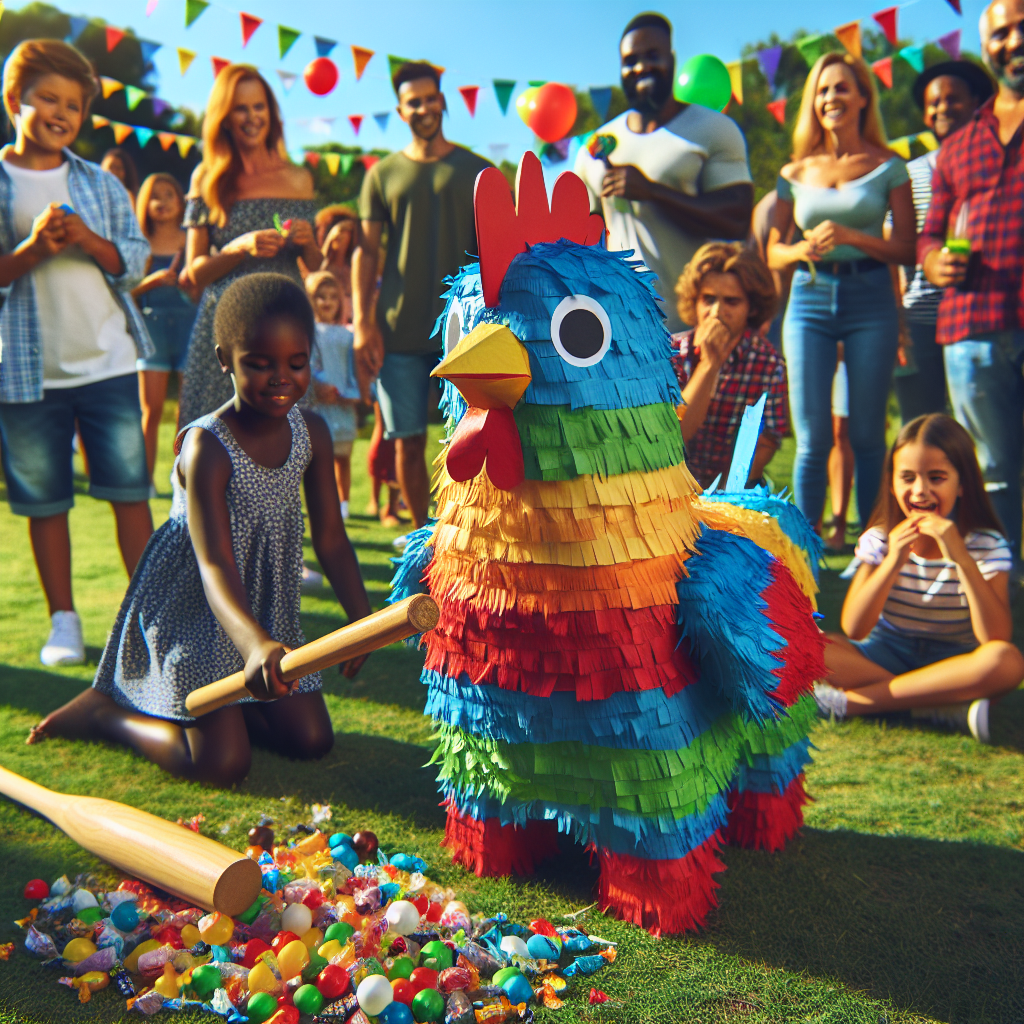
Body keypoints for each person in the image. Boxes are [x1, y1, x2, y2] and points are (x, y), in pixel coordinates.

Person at [28, 274, 373, 785]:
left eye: (296, 363)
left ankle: (229, 711)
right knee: (221, 763)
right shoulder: (207, 446)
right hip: (193, 606)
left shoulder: (312, 433)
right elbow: (214, 565)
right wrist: (255, 644)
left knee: (311, 741)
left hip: (260, 607)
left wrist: (360, 621)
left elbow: (331, 539)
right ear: (224, 360)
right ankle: (110, 714)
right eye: (259, 363)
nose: (281, 377)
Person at [0, 39, 154, 667]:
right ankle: (64, 619)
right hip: (26, 375)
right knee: (46, 501)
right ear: (15, 100)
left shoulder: (98, 182)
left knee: (128, 493)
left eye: (73, 104)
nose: (61, 113)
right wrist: (36, 247)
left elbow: (133, 261)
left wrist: (87, 237)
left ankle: (150, 613)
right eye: (47, 99)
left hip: (108, 363)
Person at [768, 51, 917, 535]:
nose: (832, 97)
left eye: (841, 88)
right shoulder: (793, 173)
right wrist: (799, 249)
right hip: (809, 301)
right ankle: (803, 552)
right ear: (813, 103)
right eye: (823, 90)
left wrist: (853, 236)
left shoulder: (890, 166)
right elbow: (772, 252)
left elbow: (906, 247)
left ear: (862, 97)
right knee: (811, 439)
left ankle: (872, 544)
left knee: (868, 434)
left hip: (871, 298)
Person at [814, 415, 1023, 742]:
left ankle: (853, 703)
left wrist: (960, 558)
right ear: (892, 482)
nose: (920, 491)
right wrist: (894, 560)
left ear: (963, 483)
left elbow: (994, 636)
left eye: (937, 478)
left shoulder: (986, 545)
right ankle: (933, 702)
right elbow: (855, 628)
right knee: (806, 644)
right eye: (907, 478)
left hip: (955, 660)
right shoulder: (880, 540)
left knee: (1006, 660)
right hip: (884, 652)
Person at [352, 61, 492, 529]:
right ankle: (422, 538)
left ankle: (470, 536)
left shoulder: (479, 170)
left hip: (469, 331)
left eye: (431, 98)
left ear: (443, 101)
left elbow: (502, 251)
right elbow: (367, 253)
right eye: (414, 102)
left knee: (471, 438)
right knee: (406, 441)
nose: (425, 107)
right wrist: (364, 325)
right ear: (400, 109)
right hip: (398, 334)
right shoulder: (382, 175)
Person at [919, 0, 1024, 579]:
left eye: (1021, 27)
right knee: (995, 470)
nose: (1014, 40)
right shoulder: (959, 145)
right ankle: (1004, 588)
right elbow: (930, 233)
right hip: (971, 327)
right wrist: (933, 262)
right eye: (1001, 33)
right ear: (987, 49)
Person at [574, 12, 754, 334]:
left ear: (671, 60)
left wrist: (654, 192)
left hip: (699, 324)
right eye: (630, 61)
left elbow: (738, 220)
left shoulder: (712, 129)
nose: (641, 67)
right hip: (623, 334)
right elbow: (576, 239)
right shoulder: (594, 147)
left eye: (652, 56)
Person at [176, 65, 321, 427]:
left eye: (259, 107)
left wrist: (308, 242)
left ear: (271, 114)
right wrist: (240, 247)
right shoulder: (207, 178)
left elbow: (317, 265)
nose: (252, 117)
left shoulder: (299, 179)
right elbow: (193, 275)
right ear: (224, 117)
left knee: (285, 447)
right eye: (241, 108)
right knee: (210, 447)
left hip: (286, 328)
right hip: (225, 331)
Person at [896, 61, 993, 423]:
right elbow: (896, 250)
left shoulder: (997, 163)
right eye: (934, 102)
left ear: (978, 104)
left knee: (981, 428)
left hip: (982, 316)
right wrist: (898, 323)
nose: (942, 108)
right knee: (921, 427)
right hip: (920, 320)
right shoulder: (911, 173)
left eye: (953, 99)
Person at [672, 242, 787, 489]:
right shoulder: (671, 353)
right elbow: (672, 436)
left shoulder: (767, 364)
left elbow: (765, 442)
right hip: (670, 487)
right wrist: (708, 367)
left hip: (732, 493)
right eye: (708, 299)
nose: (717, 311)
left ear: (752, 308)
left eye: (731, 301)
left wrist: (721, 498)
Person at [132, 172, 199, 481]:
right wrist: (151, 282)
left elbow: (205, 287)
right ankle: (143, 481)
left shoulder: (193, 241)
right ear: (145, 203)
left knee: (188, 413)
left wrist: (191, 283)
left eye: (169, 194)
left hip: (190, 327)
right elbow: (125, 294)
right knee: (151, 410)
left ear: (181, 199)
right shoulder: (139, 244)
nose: (161, 201)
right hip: (152, 329)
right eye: (154, 195)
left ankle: (183, 480)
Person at [305, 271, 360, 519]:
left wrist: (354, 392)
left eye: (332, 297)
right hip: (319, 406)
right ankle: (320, 503)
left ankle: (344, 504)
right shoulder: (309, 333)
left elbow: (354, 369)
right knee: (318, 459)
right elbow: (309, 364)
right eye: (320, 297)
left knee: (342, 457)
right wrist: (319, 386)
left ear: (341, 301)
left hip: (343, 404)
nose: (327, 302)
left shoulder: (349, 335)